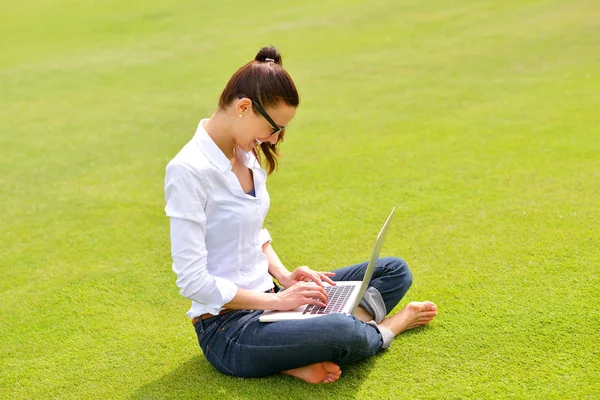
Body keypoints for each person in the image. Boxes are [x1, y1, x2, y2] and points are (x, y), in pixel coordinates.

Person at [164, 46, 437, 384]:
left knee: (394, 271)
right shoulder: (188, 170)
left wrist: (286, 277)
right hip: (229, 327)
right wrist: (277, 301)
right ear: (244, 107)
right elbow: (193, 281)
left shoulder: (244, 153)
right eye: (274, 128)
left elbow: (253, 232)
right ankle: (382, 329)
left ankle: (299, 347)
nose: (274, 139)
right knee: (341, 330)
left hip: (274, 301)